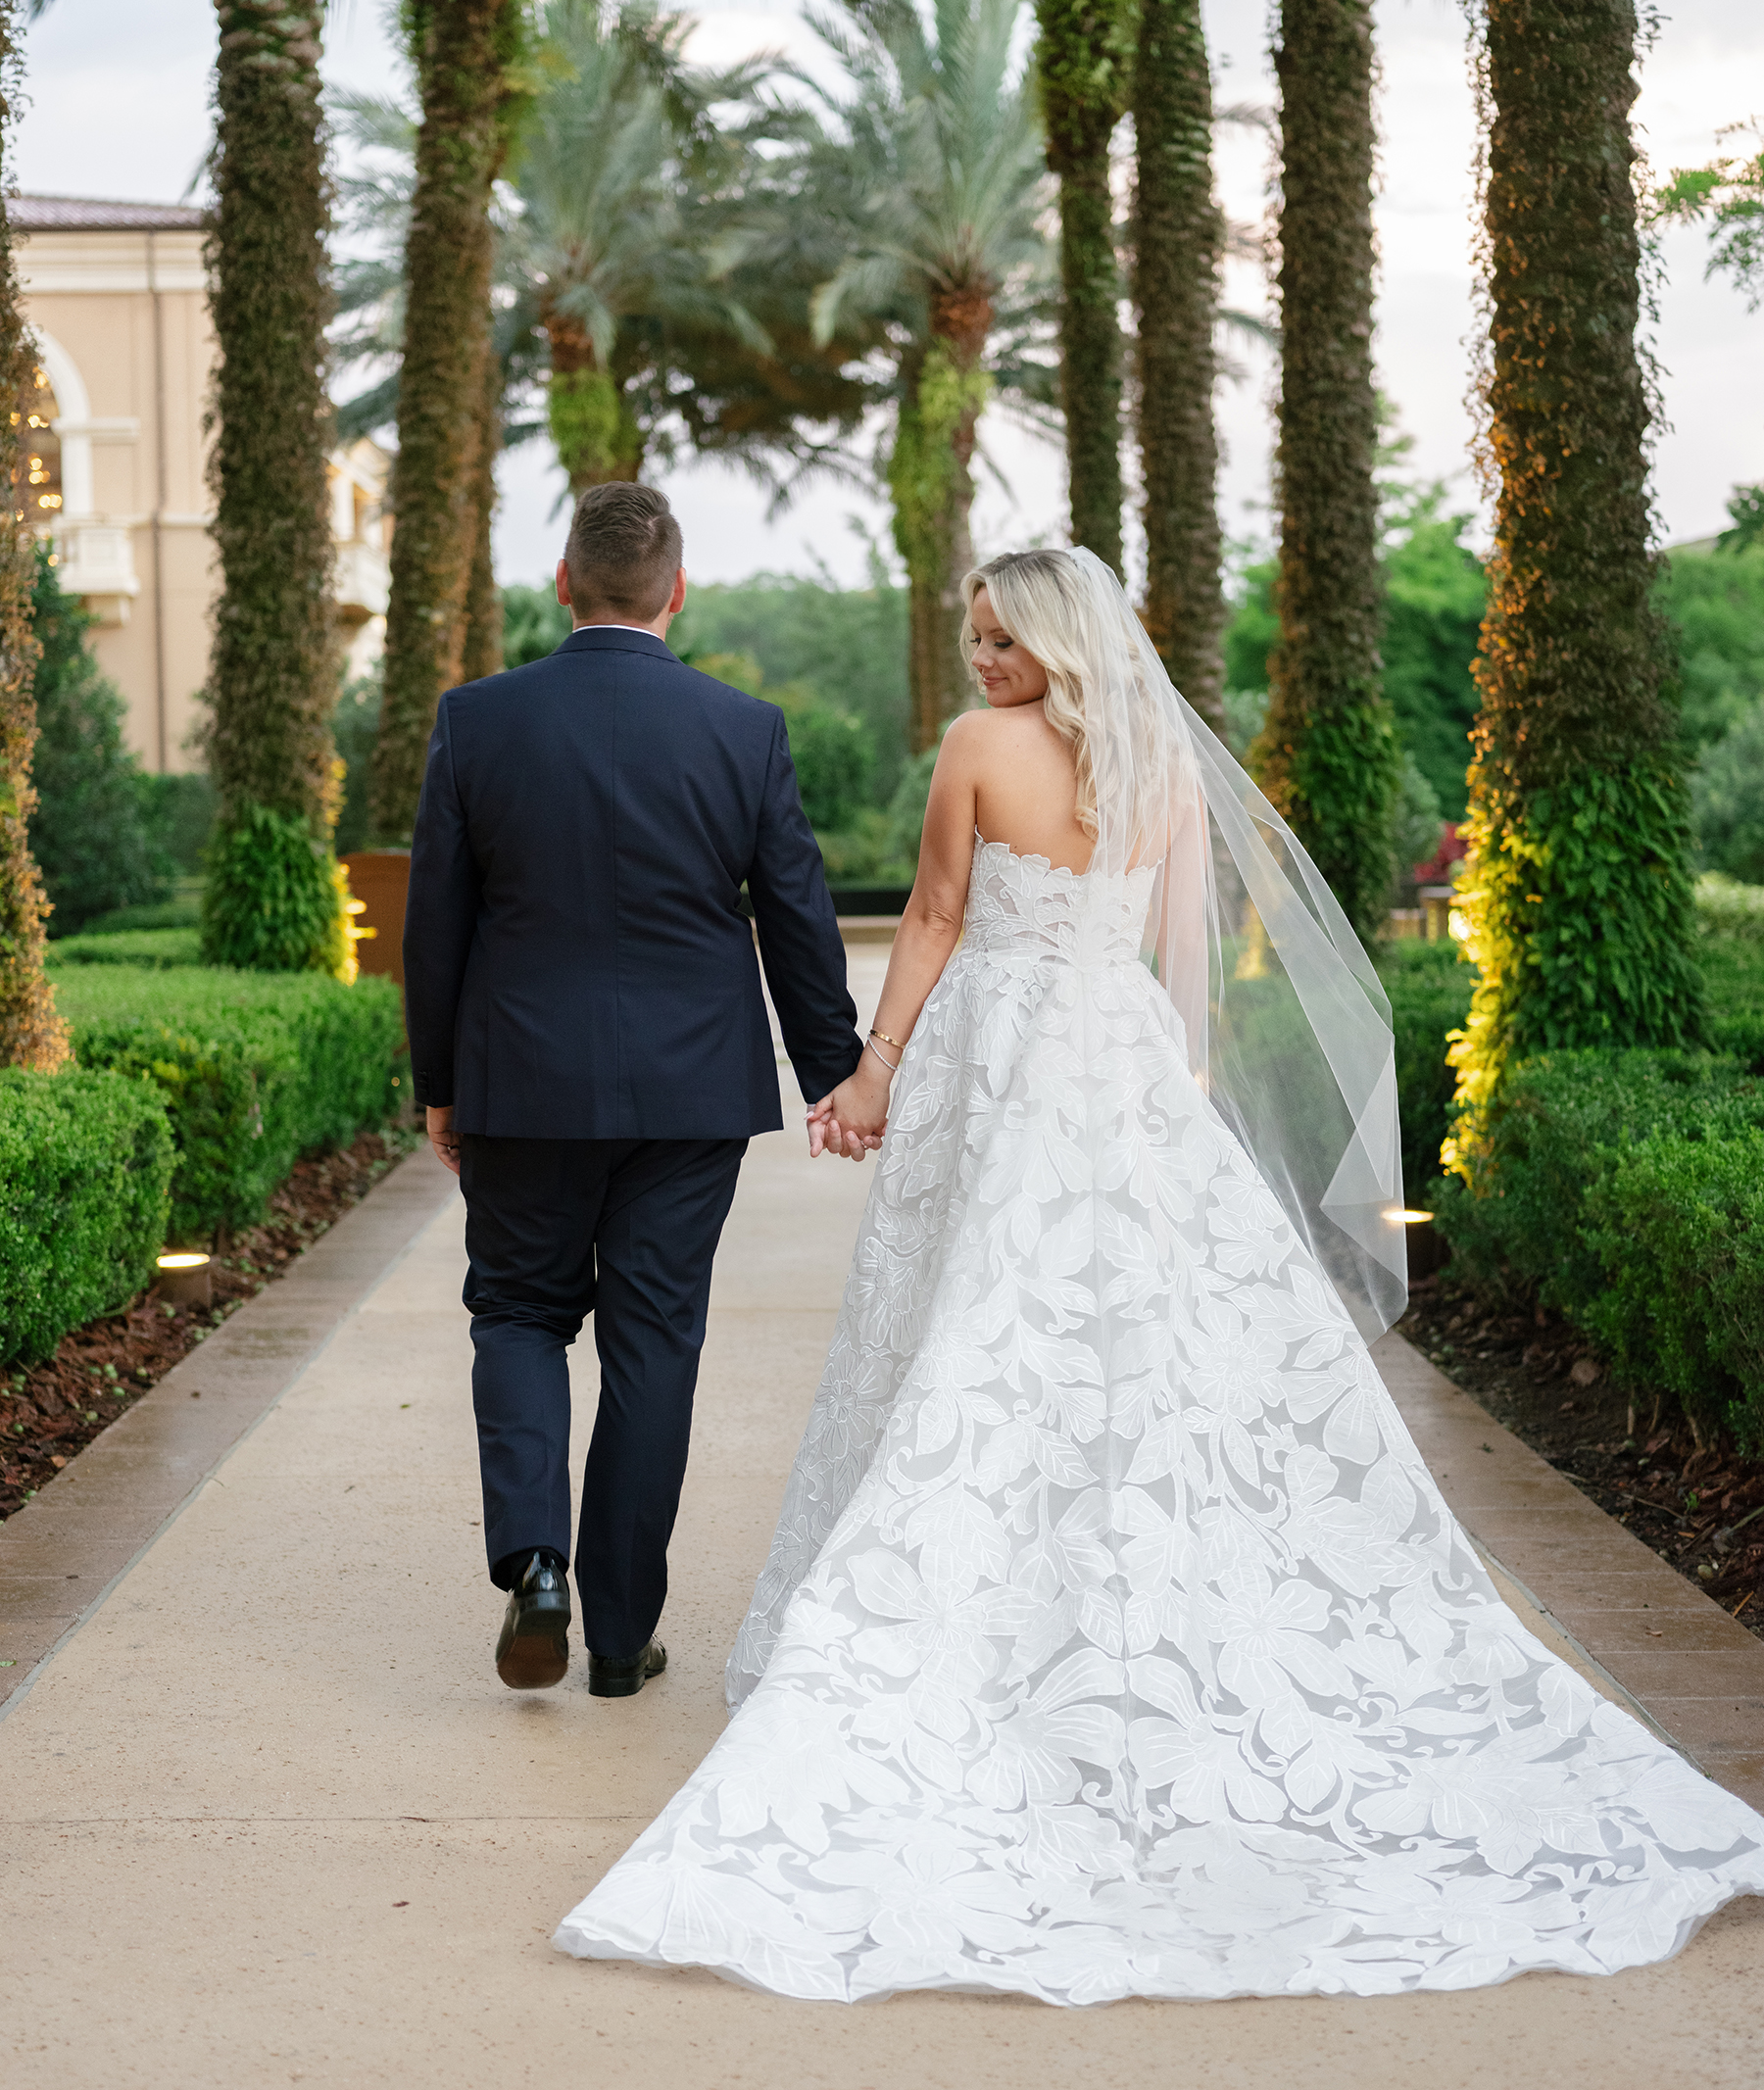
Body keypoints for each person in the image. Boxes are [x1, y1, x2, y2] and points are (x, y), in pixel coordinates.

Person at [554, 546, 1764, 2002]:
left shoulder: (979, 749)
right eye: (972, 633)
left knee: (973, 1332)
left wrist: (873, 1071)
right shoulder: (1160, 764)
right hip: (1115, 1061)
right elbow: (1178, 956)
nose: (982, 657)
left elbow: (935, 917)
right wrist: (1161, 1090)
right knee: (1119, 1342)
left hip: (1000, 1062)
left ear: (1058, 641)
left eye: (1000, 636)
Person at [403, 483, 861, 1700]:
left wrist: (439, 1085)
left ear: (563, 582)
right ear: (678, 590)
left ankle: (535, 1567)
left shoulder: (478, 721)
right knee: (655, 1345)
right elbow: (797, 916)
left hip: (520, 1084)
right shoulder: (743, 728)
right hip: (690, 1092)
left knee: (515, 1314)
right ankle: (618, 1640)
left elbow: (434, 925)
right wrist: (838, 1071)